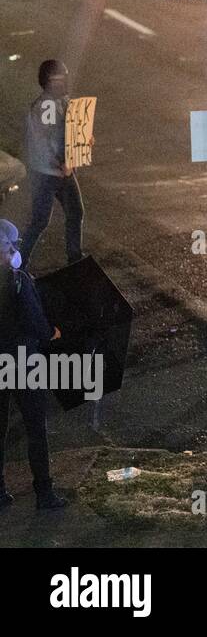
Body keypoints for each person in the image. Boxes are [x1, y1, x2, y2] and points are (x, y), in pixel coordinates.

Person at [0, 219, 66, 511]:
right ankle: (44, 493)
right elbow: (37, 324)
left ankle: (0, 492)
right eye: (10, 246)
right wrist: (52, 333)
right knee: (35, 428)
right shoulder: (18, 280)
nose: (15, 250)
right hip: (23, 362)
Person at [20, 59, 84, 271]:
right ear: (47, 81)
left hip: (60, 170)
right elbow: (46, 139)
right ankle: (18, 264)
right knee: (40, 220)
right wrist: (62, 162)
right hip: (46, 172)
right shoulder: (46, 105)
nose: (62, 81)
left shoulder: (62, 101)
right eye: (57, 78)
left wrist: (83, 141)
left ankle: (75, 259)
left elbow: (69, 131)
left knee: (75, 211)